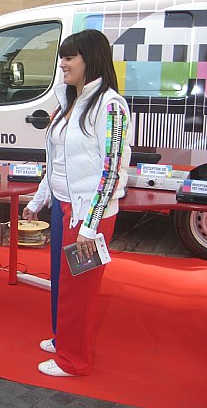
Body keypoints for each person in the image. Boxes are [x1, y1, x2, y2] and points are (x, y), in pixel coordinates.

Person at [22, 29, 132, 377]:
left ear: (90, 59)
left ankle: (75, 361)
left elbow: (112, 170)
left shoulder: (111, 106)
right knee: (65, 284)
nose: (63, 63)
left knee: (80, 291)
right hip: (64, 208)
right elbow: (56, 162)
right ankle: (65, 340)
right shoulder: (70, 103)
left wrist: (90, 225)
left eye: (70, 57)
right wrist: (39, 201)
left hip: (88, 215)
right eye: (62, 57)